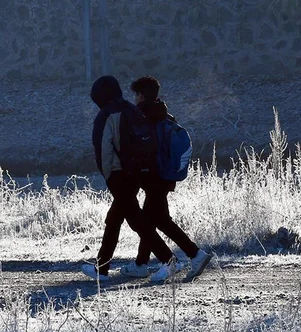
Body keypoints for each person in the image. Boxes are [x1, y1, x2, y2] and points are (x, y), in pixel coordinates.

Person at [81, 75, 178, 283]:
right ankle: (102, 267)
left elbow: (104, 151)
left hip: (118, 175)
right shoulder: (131, 109)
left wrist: (109, 178)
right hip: (136, 172)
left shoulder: (106, 115)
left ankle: (168, 260)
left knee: (136, 221)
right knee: (114, 218)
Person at [120, 76, 212, 281]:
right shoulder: (164, 114)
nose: (134, 99)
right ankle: (141, 264)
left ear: (141, 95)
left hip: (154, 177)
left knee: (156, 220)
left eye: (136, 95)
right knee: (152, 219)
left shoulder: (144, 116)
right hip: (165, 176)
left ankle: (195, 254)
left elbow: (142, 150)